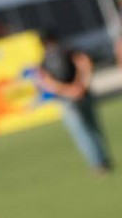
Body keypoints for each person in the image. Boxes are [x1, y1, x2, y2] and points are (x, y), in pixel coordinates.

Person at [35, 28, 110, 174]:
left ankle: (98, 163)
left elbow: (46, 81)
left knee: (82, 132)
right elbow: (84, 64)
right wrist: (80, 86)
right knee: (92, 128)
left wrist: (70, 90)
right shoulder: (67, 49)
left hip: (69, 98)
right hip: (79, 94)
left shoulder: (48, 57)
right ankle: (101, 159)